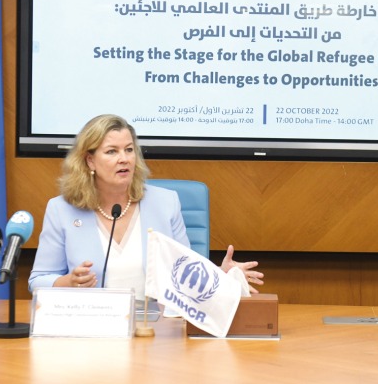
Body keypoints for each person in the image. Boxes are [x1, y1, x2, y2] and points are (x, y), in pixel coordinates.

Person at [28, 114, 263, 298]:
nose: (125, 158)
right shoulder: (61, 210)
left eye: (129, 150)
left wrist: (221, 275)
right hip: (92, 327)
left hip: (156, 326)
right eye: (112, 151)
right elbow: (38, 280)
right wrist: (67, 282)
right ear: (90, 160)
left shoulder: (165, 203)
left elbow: (186, 272)